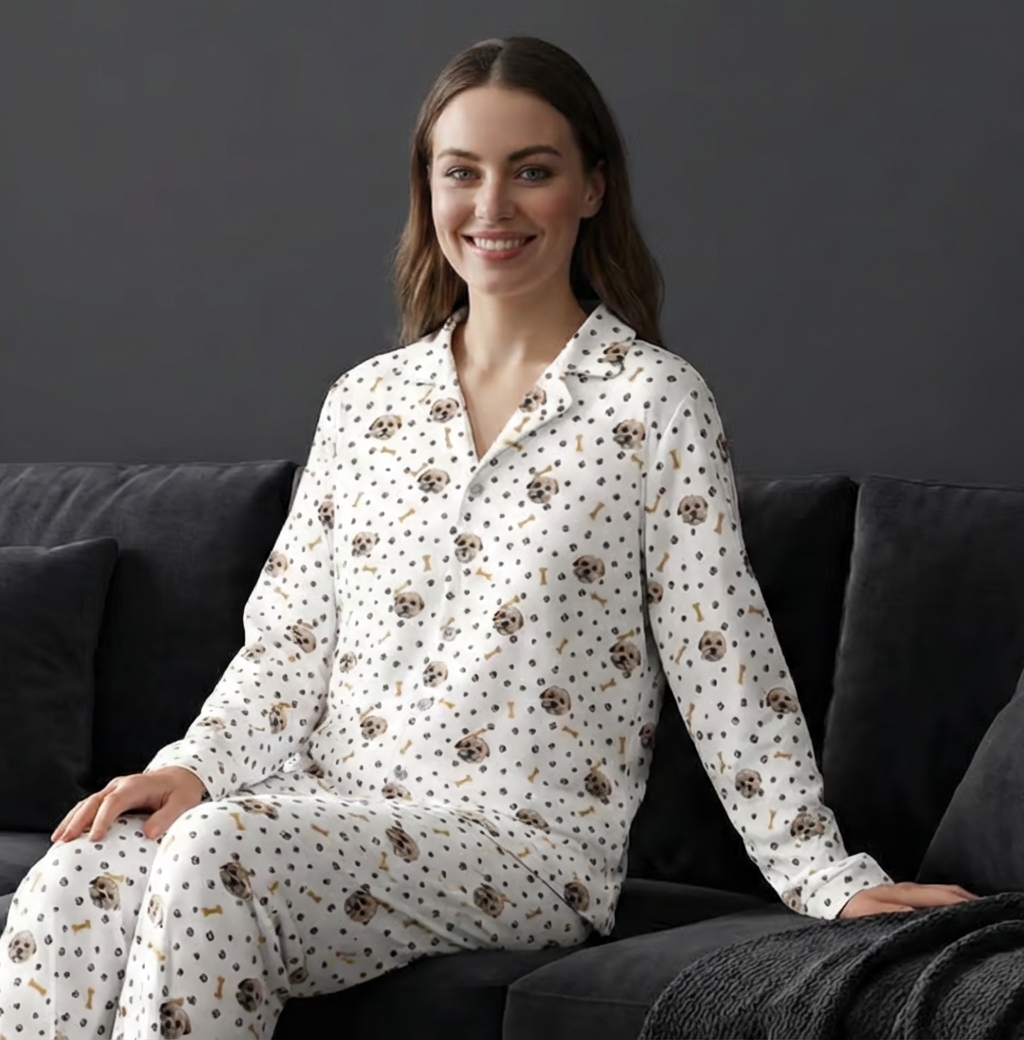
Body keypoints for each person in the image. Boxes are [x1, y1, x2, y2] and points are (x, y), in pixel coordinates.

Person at [0, 34, 975, 1040]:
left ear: (592, 187)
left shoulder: (651, 403)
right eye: (461, 172)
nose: (492, 205)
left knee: (218, 851)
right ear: (428, 190)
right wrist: (194, 766)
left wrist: (823, 874)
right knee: (77, 870)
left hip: (524, 847)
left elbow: (719, 652)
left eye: (532, 171)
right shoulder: (366, 404)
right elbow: (287, 646)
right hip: (321, 806)